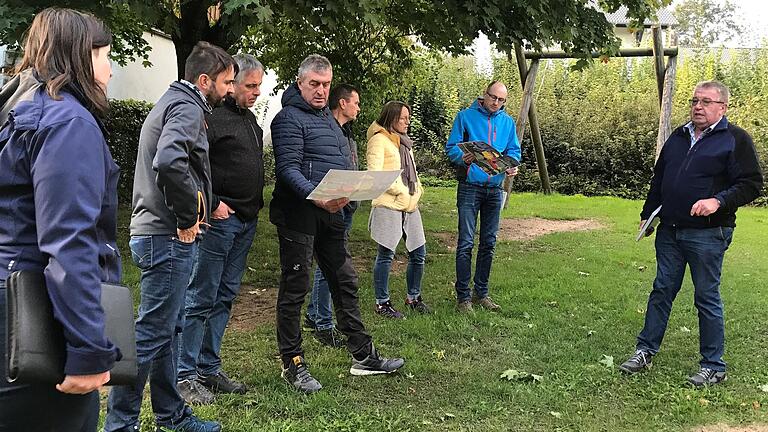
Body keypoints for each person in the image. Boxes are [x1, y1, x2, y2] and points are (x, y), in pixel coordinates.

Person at [104, 41, 236, 432]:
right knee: (152, 332)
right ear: (204, 80)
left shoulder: (174, 101)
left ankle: (171, 414)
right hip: (167, 235)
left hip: (157, 233)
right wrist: (186, 215)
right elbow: (169, 160)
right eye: (227, 82)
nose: (230, 90)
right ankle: (120, 424)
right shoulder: (188, 107)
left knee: (168, 327)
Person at [0, 8, 119, 431]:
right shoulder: (68, 122)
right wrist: (87, 349)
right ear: (81, 57)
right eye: (106, 56)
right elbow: (69, 241)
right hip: (37, 317)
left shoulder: (17, 109)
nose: (110, 70)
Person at [270, 54, 404, 394]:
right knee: (295, 288)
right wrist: (315, 195)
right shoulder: (287, 119)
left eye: (326, 84)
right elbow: (287, 169)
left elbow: (340, 163)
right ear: (299, 83)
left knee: (345, 283)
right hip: (299, 215)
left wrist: (350, 195)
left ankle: (364, 355)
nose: (320, 90)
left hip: (332, 215)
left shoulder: (330, 121)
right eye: (314, 84)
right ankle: (293, 363)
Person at [619, 81, 763, 387]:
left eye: (706, 102)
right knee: (661, 291)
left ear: (722, 107)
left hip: (708, 234)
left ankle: (713, 365)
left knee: (706, 297)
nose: (698, 106)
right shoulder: (679, 136)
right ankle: (645, 350)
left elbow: (752, 183)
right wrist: (648, 215)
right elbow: (660, 178)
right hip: (670, 231)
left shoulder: (735, 139)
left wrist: (718, 201)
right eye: (695, 100)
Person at [176, 54, 265, 404]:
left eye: (259, 86)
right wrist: (211, 203)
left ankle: (208, 367)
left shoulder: (250, 121)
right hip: (219, 222)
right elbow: (193, 165)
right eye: (249, 86)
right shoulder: (210, 117)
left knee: (225, 296)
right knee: (201, 296)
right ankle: (184, 374)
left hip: (245, 222)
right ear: (231, 85)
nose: (256, 92)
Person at [445, 80, 520, 313]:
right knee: (466, 242)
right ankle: (463, 298)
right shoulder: (465, 117)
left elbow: (513, 151)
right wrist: (463, 157)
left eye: (501, 100)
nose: (496, 103)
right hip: (470, 186)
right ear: (484, 94)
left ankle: (482, 293)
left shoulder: (507, 122)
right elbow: (452, 147)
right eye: (493, 97)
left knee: (489, 243)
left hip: (495, 190)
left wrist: (512, 166)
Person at [304, 83, 361, 347]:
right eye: (356, 102)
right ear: (342, 103)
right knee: (330, 267)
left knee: (332, 265)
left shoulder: (347, 134)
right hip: (328, 207)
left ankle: (316, 315)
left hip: (346, 205)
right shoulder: (327, 132)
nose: (358, 107)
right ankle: (323, 323)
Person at [366, 101, 430, 318]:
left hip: (410, 206)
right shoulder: (378, 141)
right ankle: (382, 303)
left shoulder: (404, 143)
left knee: (419, 253)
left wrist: (417, 190)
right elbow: (376, 176)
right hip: (388, 205)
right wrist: (401, 191)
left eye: (408, 118)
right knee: (386, 254)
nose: (407, 122)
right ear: (391, 117)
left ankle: (414, 297)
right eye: (403, 118)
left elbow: (412, 173)